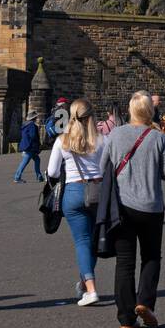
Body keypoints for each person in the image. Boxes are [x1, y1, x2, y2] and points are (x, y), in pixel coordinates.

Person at [102, 91, 165, 328]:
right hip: (151, 207)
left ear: (130, 111)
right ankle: (145, 302)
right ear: (150, 112)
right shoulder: (159, 137)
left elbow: (104, 167)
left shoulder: (115, 135)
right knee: (151, 256)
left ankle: (126, 317)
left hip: (122, 207)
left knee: (124, 262)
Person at [47, 97, 106, 307]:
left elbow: (52, 172)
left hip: (73, 192)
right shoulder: (102, 140)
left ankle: (90, 288)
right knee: (93, 242)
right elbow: (108, 166)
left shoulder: (62, 141)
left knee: (82, 241)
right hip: (97, 192)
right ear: (91, 116)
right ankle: (85, 283)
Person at [13, 111, 43, 184]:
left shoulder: (25, 124)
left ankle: (39, 176)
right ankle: (17, 177)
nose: (37, 118)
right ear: (34, 118)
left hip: (26, 145)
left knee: (37, 159)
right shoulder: (32, 125)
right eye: (36, 117)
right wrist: (38, 144)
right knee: (25, 161)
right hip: (30, 146)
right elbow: (33, 136)